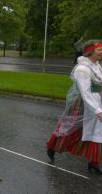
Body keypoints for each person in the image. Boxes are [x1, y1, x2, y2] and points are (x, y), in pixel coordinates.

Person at [46, 40, 102, 174]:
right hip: (81, 103)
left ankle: (94, 162)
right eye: (99, 50)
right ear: (91, 51)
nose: (101, 53)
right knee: (71, 129)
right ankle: (52, 146)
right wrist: (97, 110)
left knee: (98, 131)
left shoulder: (97, 66)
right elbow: (86, 92)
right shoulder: (82, 69)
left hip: (97, 101)